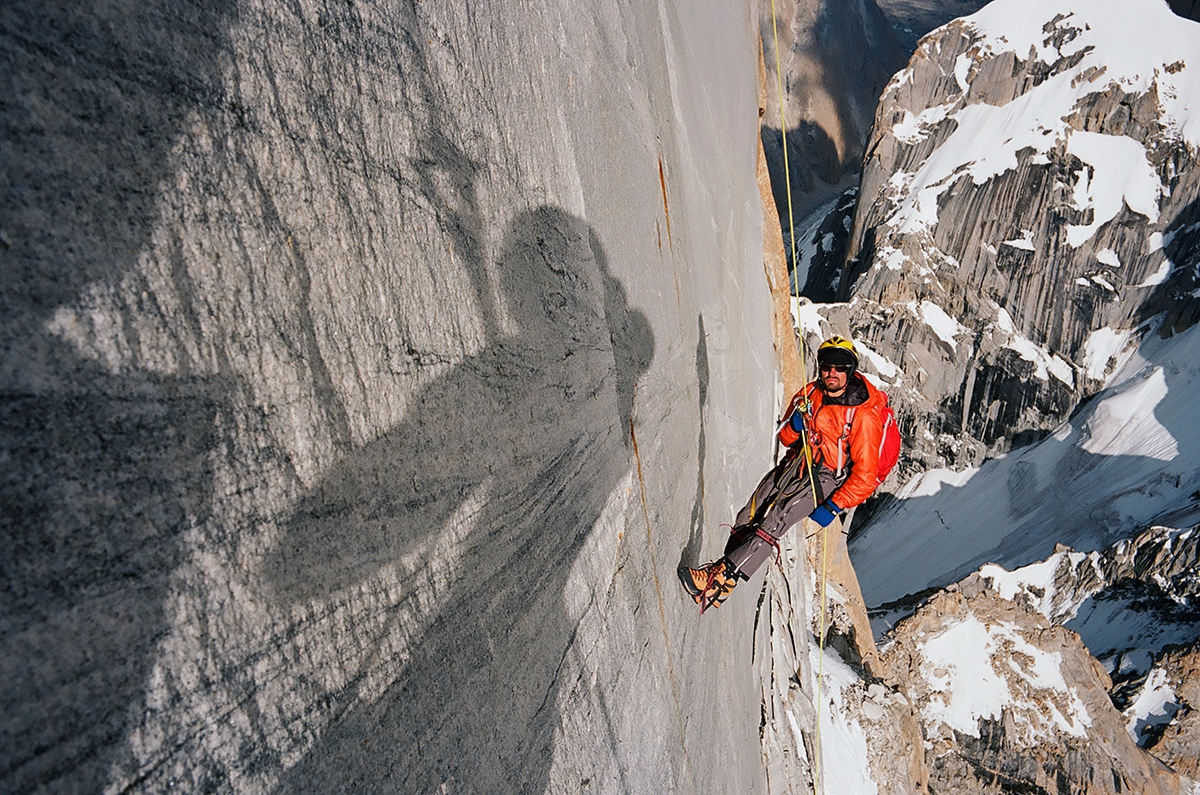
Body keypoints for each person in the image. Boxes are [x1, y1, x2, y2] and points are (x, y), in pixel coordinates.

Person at [678, 335, 888, 610]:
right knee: (749, 513)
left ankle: (717, 578)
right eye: (827, 365)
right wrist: (796, 425)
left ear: (850, 370)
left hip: (826, 478)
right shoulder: (810, 394)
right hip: (797, 462)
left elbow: (866, 476)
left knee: (777, 520)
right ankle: (724, 578)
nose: (832, 373)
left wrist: (835, 505)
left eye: (840, 367)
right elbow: (787, 437)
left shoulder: (863, 415)